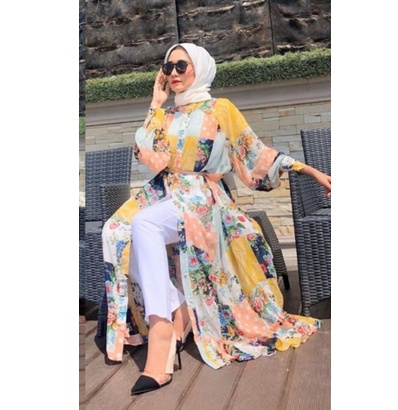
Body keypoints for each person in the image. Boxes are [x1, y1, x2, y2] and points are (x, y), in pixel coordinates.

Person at [101, 43, 331, 396]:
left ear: (200, 68)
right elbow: (149, 156)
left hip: (201, 197)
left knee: (143, 223)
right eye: (168, 66)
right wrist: (155, 104)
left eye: (181, 65)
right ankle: (177, 308)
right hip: (164, 192)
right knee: (115, 231)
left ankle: (161, 332)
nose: (173, 73)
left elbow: (255, 152)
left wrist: (308, 170)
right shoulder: (166, 115)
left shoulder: (219, 108)